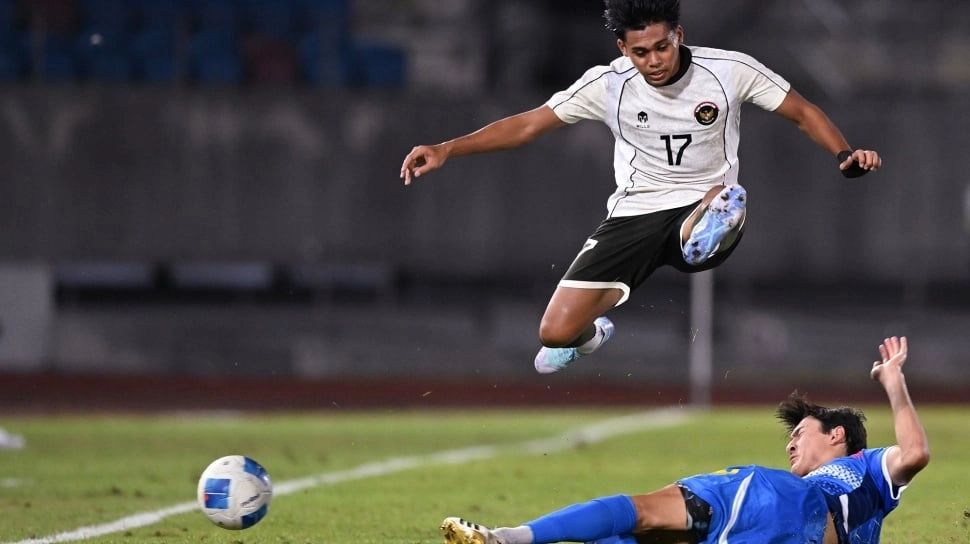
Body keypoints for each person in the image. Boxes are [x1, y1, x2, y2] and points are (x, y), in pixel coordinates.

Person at [399, 0, 883, 374]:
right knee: (554, 332)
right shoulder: (608, 85)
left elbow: (801, 111)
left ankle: (715, 222)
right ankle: (591, 336)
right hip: (633, 215)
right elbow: (529, 125)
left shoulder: (729, 70)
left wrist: (843, 153)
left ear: (679, 35)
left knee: (718, 201)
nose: (653, 60)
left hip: (698, 205)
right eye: (640, 52)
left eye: (662, 46)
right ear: (623, 50)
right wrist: (447, 148)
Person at [438, 336, 929, 544]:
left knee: (643, 513)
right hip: (775, 524)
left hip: (773, 500)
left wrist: (892, 383)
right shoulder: (865, 513)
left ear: (838, 435)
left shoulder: (862, 469)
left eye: (801, 433)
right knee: (633, 536)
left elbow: (915, 453)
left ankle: (510, 538)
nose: (791, 445)